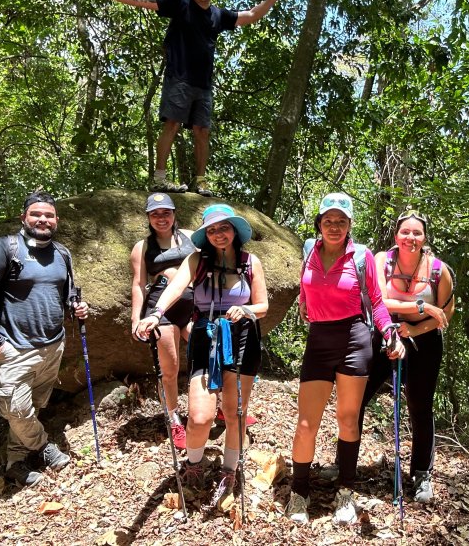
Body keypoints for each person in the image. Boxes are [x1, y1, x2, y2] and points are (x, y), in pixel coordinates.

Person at [79, 0, 288, 196]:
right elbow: (143, 0)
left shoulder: (218, 15)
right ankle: (159, 178)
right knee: (172, 124)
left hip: (204, 85)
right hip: (178, 78)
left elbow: (252, 15)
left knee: (202, 131)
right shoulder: (181, 4)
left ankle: (201, 182)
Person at [135, 204, 268, 513]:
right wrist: (156, 313)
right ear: (206, 235)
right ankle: (194, 464)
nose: (218, 234)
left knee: (235, 412)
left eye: (224, 228)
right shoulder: (197, 261)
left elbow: (262, 305)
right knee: (200, 416)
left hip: (243, 338)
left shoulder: (250, 263)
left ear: (235, 231)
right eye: (212, 230)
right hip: (205, 338)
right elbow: (175, 287)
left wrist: (247, 309)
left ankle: (228, 470)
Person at [287, 192, 406, 526]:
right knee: (306, 423)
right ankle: (299, 492)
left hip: (355, 338)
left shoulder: (362, 256)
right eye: (328, 221)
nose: (334, 227)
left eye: (341, 221)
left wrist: (389, 334)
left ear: (350, 224)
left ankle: (345, 493)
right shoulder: (310, 251)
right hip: (319, 339)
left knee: (348, 419)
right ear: (319, 224)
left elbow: (378, 302)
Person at [0, 191, 89, 486]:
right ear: (24, 217)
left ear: (56, 220)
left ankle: (15, 461)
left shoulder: (62, 253)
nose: (42, 220)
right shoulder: (5, 248)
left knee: (32, 407)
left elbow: (68, 292)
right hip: (15, 346)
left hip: (52, 345)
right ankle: (43, 447)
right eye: (36, 214)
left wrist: (76, 306)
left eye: (48, 215)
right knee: (17, 408)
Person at [358, 210, 454, 504]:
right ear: (396, 235)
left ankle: (422, 473)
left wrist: (414, 326)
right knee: (357, 397)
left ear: (424, 238)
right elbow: (377, 299)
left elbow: (446, 314)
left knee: (420, 406)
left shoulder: (439, 270)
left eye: (417, 233)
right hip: (383, 335)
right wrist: (423, 307)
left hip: (423, 341)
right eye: (405, 232)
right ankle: (345, 461)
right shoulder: (381, 261)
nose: (410, 238)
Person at [129, 193, 196, 449]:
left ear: (174, 213)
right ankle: (174, 419)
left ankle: (219, 406)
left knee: (212, 356)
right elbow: (138, 284)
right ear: (148, 217)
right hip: (162, 311)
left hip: (193, 308)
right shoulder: (143, 247)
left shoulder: (191, 237)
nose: (161, 218)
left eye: (166, 212)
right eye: (155, 214)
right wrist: (137, 319)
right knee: (170, 370)